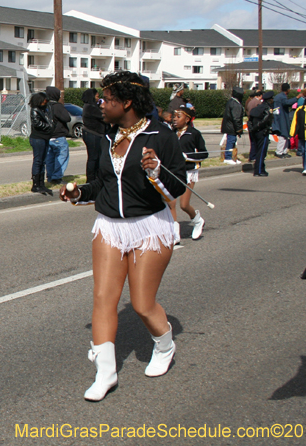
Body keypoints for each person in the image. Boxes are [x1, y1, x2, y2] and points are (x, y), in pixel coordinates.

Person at [60, 71, 186, 402]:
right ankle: (106, 372)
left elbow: (177, 189)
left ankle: (165, 345)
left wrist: (156, 171)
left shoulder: (161, 135)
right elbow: (103, 184)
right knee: (103, 298)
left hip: (150, 226)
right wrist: (78, 194)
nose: (100, 104)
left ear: (127, 102)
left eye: (107, 99)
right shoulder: (105, 136)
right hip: (110, 227)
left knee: (142, 304)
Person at [168, 105, 208, 241]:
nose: (174, 119)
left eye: (178, 117)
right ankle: (175, 234)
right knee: (170, 202)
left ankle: (197, 220)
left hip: (189, 171)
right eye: (174, 116)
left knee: (184, 205)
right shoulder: (171, 133)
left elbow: (204, 153)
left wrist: (188, 157)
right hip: (173, 172)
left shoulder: (194, 133)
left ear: (187, 119)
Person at [44, 86, 72, 185]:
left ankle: (50, 176)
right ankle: (57, 177)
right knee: (61, 156)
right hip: (58, 136)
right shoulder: (57, 106)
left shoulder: (44, 106)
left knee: (50, 158)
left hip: (47, 136)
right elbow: (67, 118)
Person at [28, 91, 54, 195]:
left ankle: (41, 183)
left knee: (43, 161)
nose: (46, 102)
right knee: (38, 160)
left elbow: (50, 120)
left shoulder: (46, 109)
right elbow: (37, 123)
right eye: (44, 100)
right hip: (38, 138)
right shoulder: (35, 110)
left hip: (45, 137)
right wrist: (49, 127)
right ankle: (35, 185)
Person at [81, 88, 106, 183]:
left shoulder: (93, 106)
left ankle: (96, 177)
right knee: (93, 158)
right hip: (92, 135)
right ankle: (91, 179)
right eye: (97, 96)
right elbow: (102, 116)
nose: (98, 98)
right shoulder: (90, 107)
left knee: (98, 157)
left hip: (97, 135)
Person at [249, 91, 275, 177]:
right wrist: (257, 127)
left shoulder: (258, 107)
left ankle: (261, 168)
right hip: (262, 132)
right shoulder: (266, 109)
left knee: (258, 150)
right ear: (270, 100)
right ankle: (258, 170)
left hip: (255, 132)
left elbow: (250, 119)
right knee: (261, 152)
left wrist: (252, 129)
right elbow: (265, 120)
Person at [272, 83, 297, 158]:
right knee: (283, 135)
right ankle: (279, 152)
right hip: (281, 117)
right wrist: (297, 98)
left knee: (285, 136)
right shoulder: (282, 97)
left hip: (281, 116)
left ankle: (284, 151)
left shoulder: (279, 96)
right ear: (288, 89)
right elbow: (287, 103)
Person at [221, 87, 244, 165]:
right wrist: (239, 129)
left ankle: (233, 157)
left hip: (229, 125)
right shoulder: (235, 104)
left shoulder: (231, 102)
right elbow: (236, 118)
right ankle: (228, 157)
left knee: (232, 142)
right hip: (232, 127)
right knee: (231, 141)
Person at [245, 89, 263, 162]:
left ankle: (252, 156)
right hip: (255, 123)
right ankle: (254, 156)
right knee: (256, 142)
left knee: (252, 141)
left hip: (250, 122)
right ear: (259, 95)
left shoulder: (250, 102)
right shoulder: (258, 102)